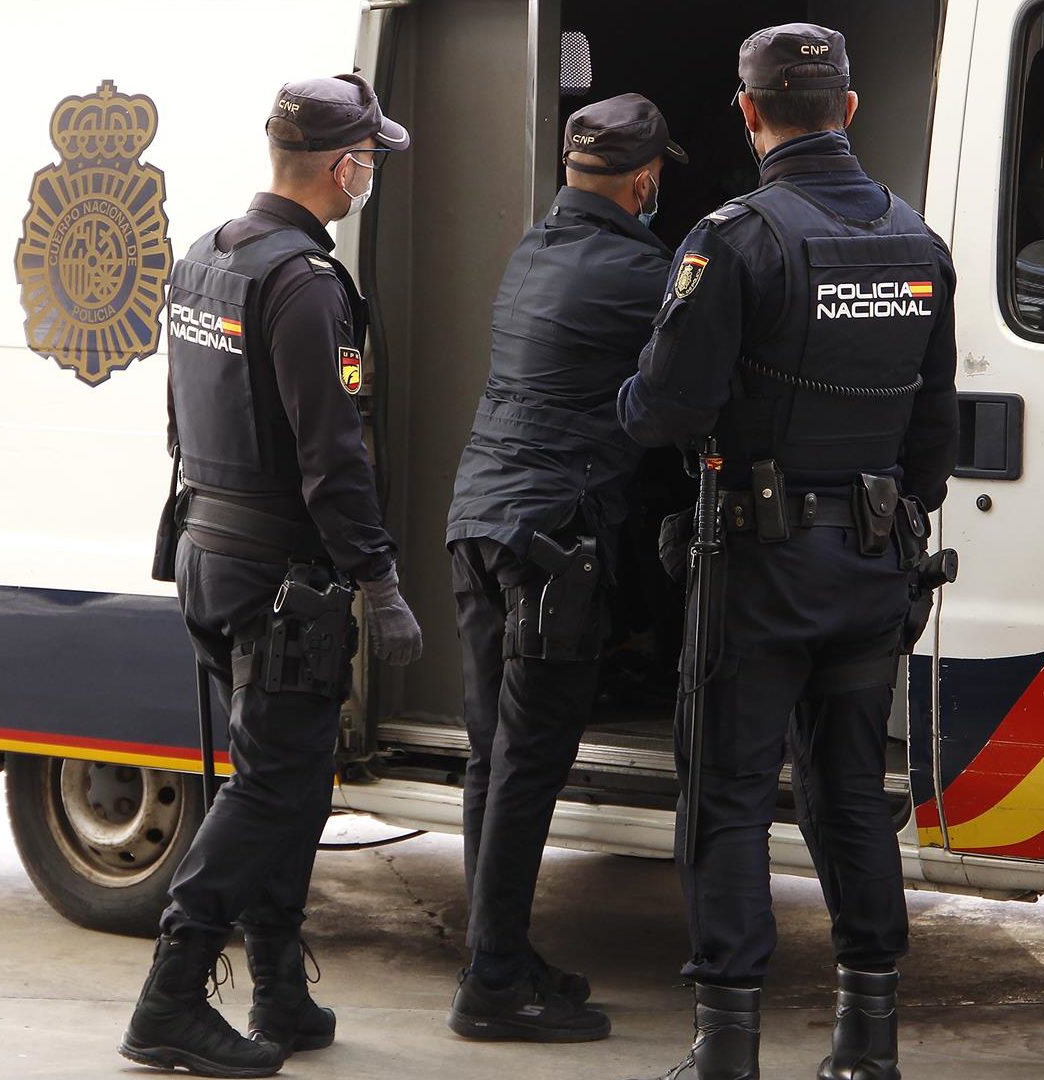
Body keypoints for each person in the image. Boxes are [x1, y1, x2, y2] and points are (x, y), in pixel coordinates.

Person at [618, 23, 958, 1080]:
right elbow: (934, 434)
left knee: (726, 792)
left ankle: (727, 1051)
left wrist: (629, 391)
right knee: (850, 793)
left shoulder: (734, 239)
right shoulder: (919, 243)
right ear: (848, 110)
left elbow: (667, 409)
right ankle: (868, 1046)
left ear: (748, 113)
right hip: (874, 560)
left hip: (759, 570)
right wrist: (893, 524)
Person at [120, 73, 423, 1079]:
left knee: (287, 785)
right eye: (369, 158)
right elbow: (334, 454)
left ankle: (280, 990)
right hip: (280, 578)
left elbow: (181, 415)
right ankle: (172, 996)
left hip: (208, 550)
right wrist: (379, 580)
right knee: (269, 788)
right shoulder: (306, 285)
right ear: (343, 166)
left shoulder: (209, 257)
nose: (371, 172)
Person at [441, 93, 682, 1044]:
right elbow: (681, 395)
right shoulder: (642, 272)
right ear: (645, 183)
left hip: (479, 522)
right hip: (550, 546)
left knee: (491, 756)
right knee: (529, 764)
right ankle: (492, 987)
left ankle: (497, 953)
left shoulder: (533, 250)